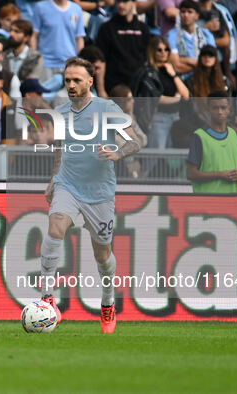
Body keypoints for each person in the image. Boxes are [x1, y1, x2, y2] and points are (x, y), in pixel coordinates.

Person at [39, 57, 141, 334]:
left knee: (102, 255)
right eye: (67, 80)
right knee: (55, 228)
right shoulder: (60, 111)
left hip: (99, 193)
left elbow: (138, 140)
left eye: (76, 80)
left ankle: (108, 303)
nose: (71, 85)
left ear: (90, 82)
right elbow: (61, 149)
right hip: (67, 185)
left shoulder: (107, 108)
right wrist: (53, 180)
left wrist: (118, 152)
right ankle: (48, 300)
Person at [186, 91, 237, 193]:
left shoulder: (235, 135)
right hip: (207, 202)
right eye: (215, 108)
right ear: (208, 110)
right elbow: (191, 173)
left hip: (232, 202)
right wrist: (220, 175)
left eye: (223, 108)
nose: (219, 112)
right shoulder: (199, 136)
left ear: (229, 110)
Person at [140, 36, 189, 149]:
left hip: (176, 117)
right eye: (159, 50)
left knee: (172, 159)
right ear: (152, 51)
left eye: (166, 49)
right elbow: (156, 98)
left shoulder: (170, 70)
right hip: (158, 118)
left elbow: (185, 94)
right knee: (156, 155)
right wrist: (177, 98)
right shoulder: (148, 72)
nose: (163, 53)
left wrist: (173, 74)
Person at [95, 0, 150, 93]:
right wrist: (101, 89)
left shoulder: (143, 28)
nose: (121, 5)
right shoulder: (107, 28)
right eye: (119, 1)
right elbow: (100, 60)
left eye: (125, 1)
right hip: (114, 85)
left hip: (137, 85)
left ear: (133, 3)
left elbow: (147, 59)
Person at [30, 0, 85, 81]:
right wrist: (34, 59)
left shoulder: (76, 9)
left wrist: (79, 63)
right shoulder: (40, 7)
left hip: (69, 64)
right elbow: (34, 36)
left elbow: (79, 38)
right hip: (45, 63)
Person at [166, 0, 216, 78]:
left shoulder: (206, 34)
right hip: (182, 80)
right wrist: (200, 64)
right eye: (183, 12)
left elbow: (212, 62)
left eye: (190, 12)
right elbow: (176, 66)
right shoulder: (172, 35)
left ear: (197, 15)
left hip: (204, 79)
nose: (185, 15)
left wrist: (184, 60)